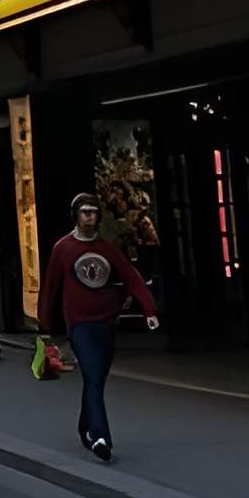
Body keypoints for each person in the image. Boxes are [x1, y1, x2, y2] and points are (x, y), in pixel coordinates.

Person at [36, 192, 159, 462]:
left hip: (106, 321)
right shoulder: (63, 248)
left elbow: (131, 276)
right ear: (75, 215)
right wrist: (44, 326)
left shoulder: (107, 248)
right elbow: (50, 289)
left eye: (93, 211)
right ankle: (100, 437)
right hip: (79, 324)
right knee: (91, 375)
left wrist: (149, 310)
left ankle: (84, 426)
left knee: (96, 380)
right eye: (84, 212)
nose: (89, 216)